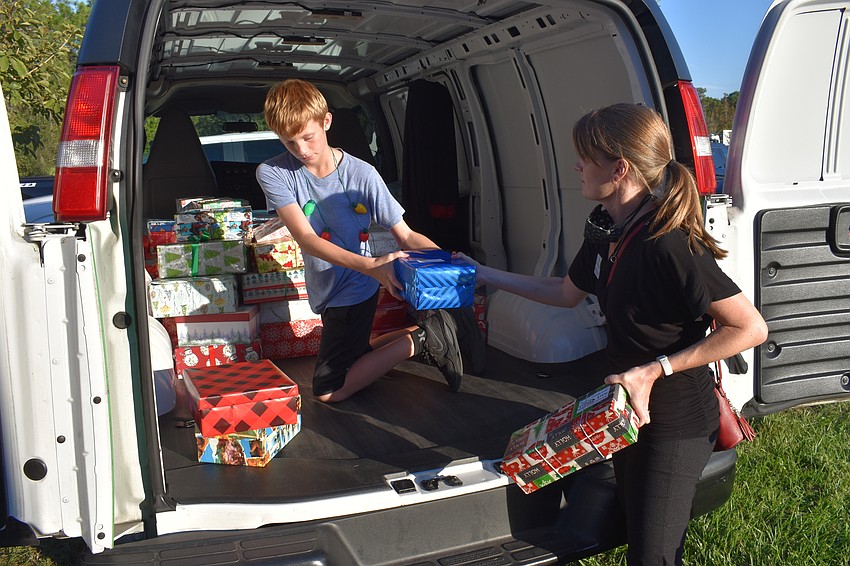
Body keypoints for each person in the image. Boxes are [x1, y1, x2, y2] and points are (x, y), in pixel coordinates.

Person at [456, 103, 768, 564]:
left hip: (675, 424)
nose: (577, 165)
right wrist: (483, 273)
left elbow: (750, 327)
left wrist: (654, 369)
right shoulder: (609, 229)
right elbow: (565, 292)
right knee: (642, 542)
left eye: (586, 156)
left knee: (653, 557)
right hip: (628, 415)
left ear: (619, 168)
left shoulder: (669, 241)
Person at [256, 78, 464, 402]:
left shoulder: (362, 174)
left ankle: (422, 340)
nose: (302, 151)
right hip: (338, 280)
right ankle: (427, 333)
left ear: (326, 121)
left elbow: (405, 234)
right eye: (289, 142)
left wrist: (450, 265)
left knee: (329, 390)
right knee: (357, 352)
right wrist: (371, 266)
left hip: (356, 285)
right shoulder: (273, 172)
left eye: (308, 138)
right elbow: (305, 238)